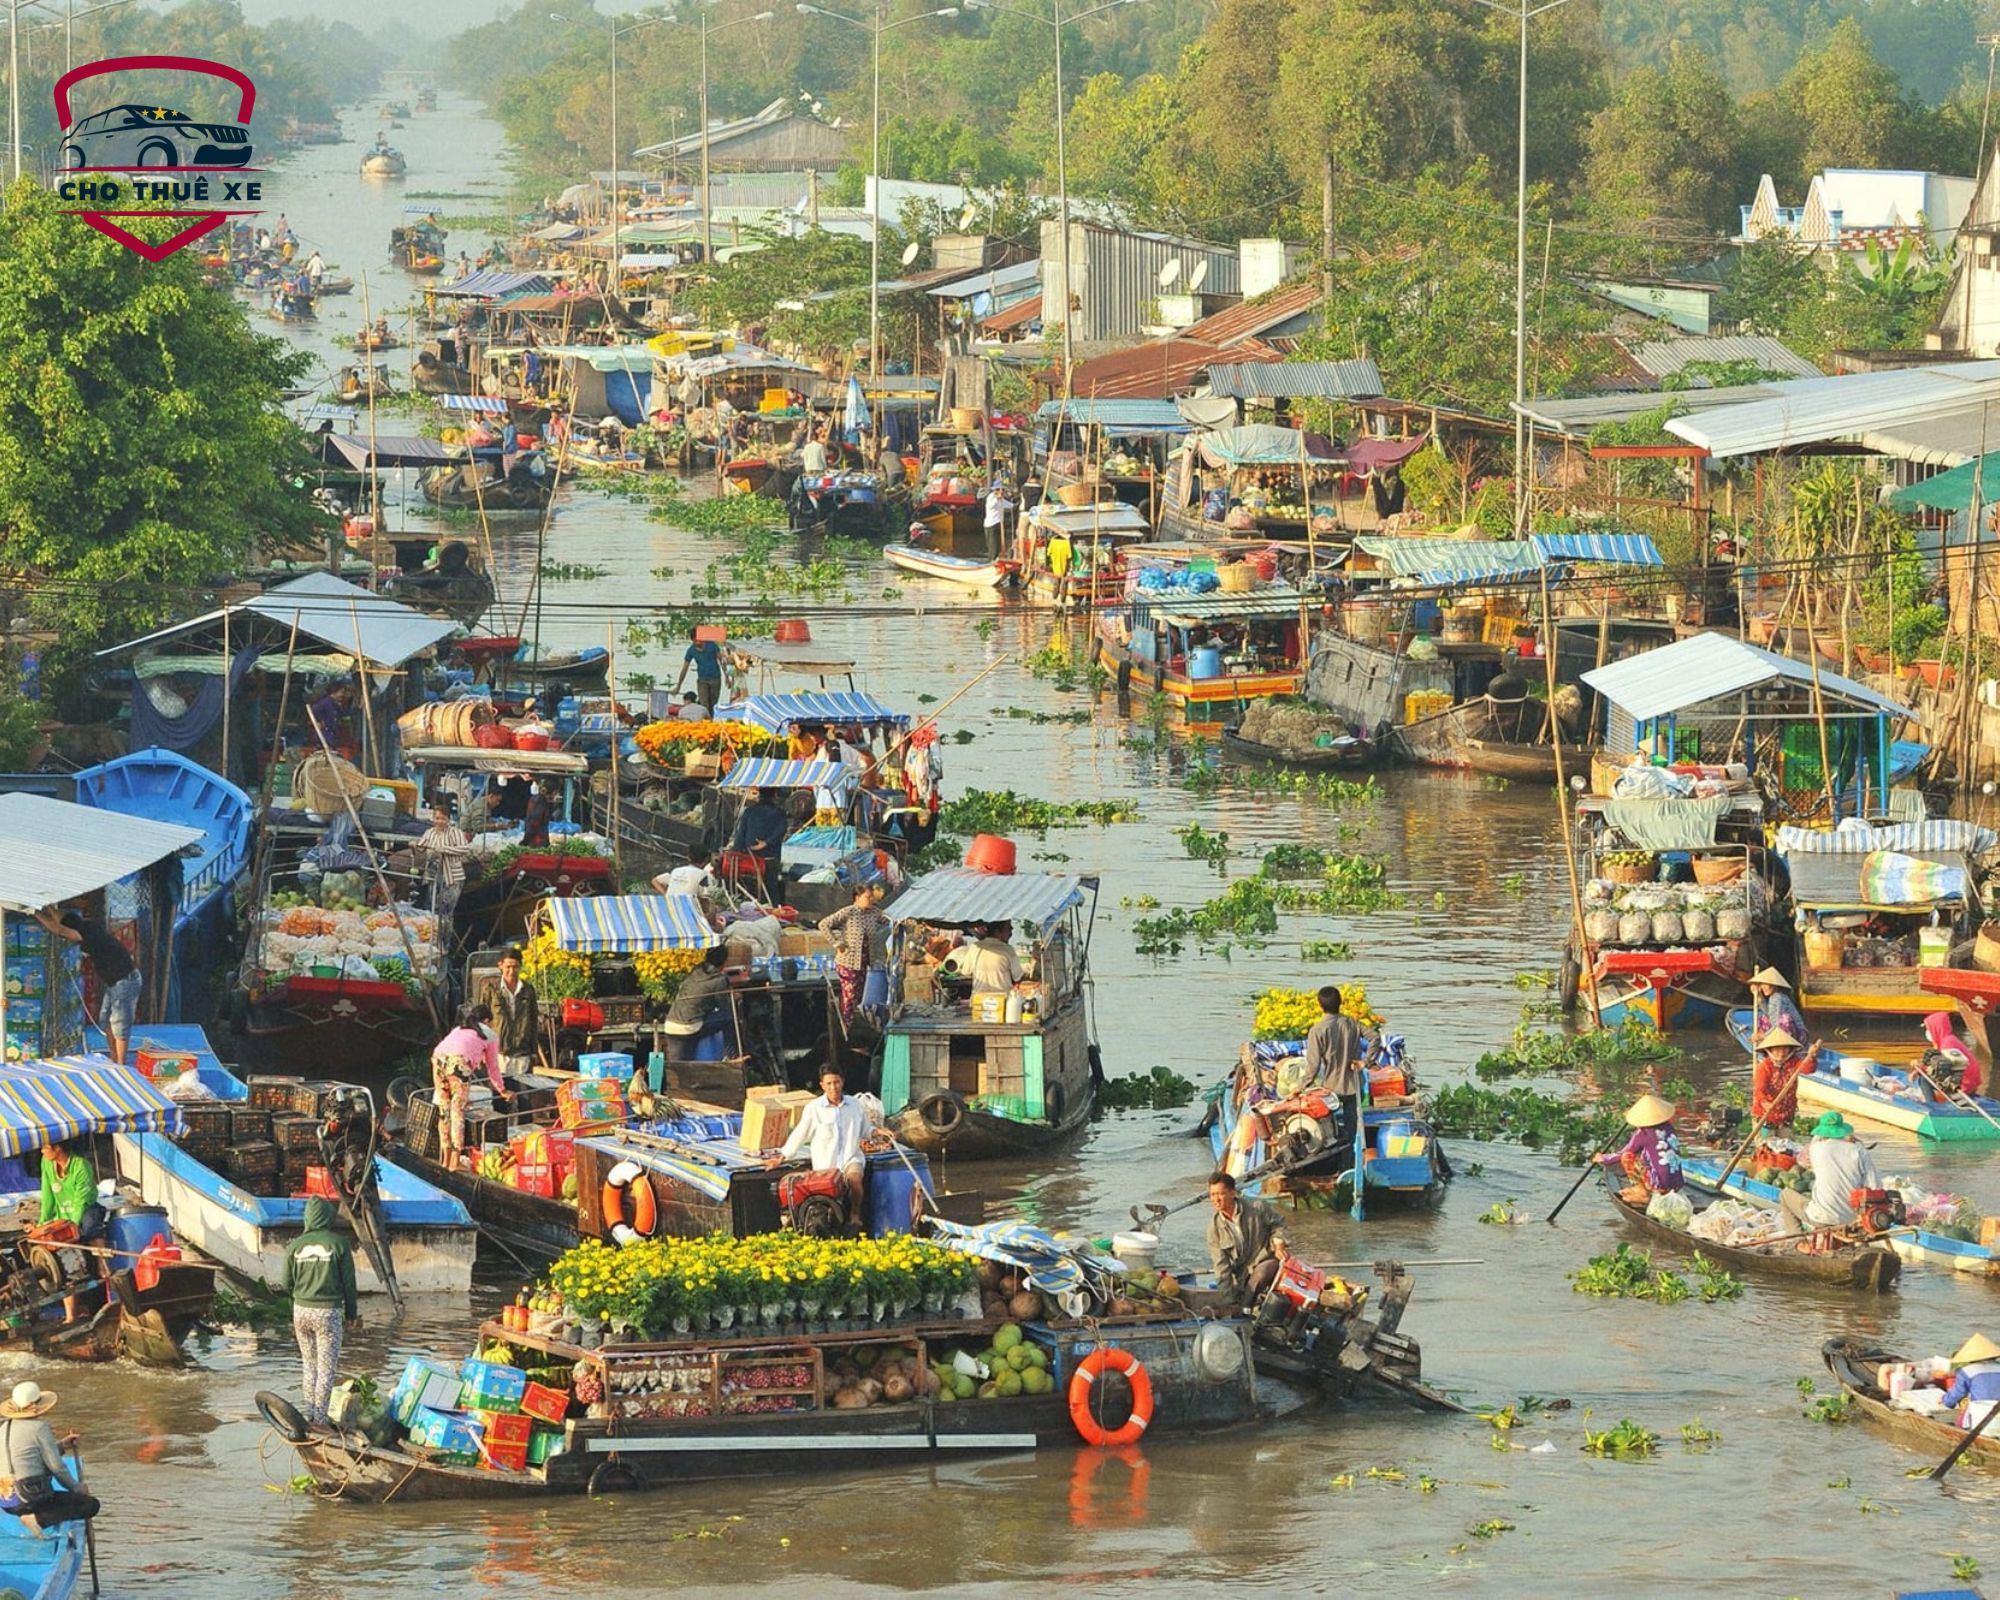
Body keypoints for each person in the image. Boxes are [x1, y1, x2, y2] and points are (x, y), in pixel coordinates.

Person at [283, 1198, 358, 1427]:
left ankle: (309, 1414)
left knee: (309, 1364)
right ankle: (321, 1420)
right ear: (328, 1217)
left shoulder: (294, 1246)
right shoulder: (339, 1243)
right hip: (328, 1312)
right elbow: (349, 1283)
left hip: (300, 1311)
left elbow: (286, 1283)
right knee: (326, 1367)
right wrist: (351, 1314)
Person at [36, 905, 138, 1065]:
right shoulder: (88, 925)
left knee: (120, 1024)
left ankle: (120, 1063)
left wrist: (35, 913)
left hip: (125, 980)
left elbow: (60, 930)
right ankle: (113, 1056)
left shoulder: (88, 936)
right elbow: (62, 920)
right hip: (114, 982)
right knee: (105, 1019)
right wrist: (48, 908)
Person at [768, 1067, 874, 1214]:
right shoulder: (814, 1108)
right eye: (829, 1083)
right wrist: (782, 1156)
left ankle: (855, 1215)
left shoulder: (855, 1105)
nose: (833, 1087)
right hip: (826, 1164)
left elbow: (866, 1130)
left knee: (855, 1181)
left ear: (842, 1082)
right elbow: (800, 1133)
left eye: (836, 1082)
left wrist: (878, 1132)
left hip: (851, 1158)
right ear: (822, 1085)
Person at [0, 1383, 98, 1530]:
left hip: (6, 1500)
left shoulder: (4, 1427)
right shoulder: (40, 1427)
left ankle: (29, 1515)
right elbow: (56, 1467)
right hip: (29, 1498)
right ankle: (37, 1519)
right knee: (90, 1505)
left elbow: (28, 1456)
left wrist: (62, 1445)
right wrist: (76, 1487)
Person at [1779, 1111, 1881, 1234]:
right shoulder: (1859, 1150)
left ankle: (1798, 1240)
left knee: (1785, 1195)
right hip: (1852, 1218)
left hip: (1821, 1217)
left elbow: (1801, 1162)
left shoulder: (1815, 1148)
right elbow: (1874, 1186)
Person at [36, 1142, 103, 1322]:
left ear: (58, 1148)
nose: (42, 1151)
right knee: (64, 1264)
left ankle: (102, 1264)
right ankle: (70, 1316)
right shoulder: (46, 1162)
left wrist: (71, 1225)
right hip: (62, 1216)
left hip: (86, 1209)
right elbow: (47, 1195)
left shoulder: (81, 1165)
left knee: (89, 1229)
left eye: (46, 1147)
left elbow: (82, 1199)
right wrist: (42, 1223)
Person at [430, 1004, 501, 1170]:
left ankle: (444, 1159)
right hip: (458, 1062)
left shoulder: (458, 1029)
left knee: (444, 1110)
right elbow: (493, 1067)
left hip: (438, 1058)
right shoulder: (489, 1034)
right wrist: (501, 1089)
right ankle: (455, 1162)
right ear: (486, 1020)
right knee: (457, 1111)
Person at [1206, 1170, 1287, 1307]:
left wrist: (1279, 1243)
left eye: (1220, 1194)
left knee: (1261, 1273)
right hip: (1244, 1275)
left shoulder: (1257, 1207)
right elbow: (1221, 1268)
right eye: (1212, 1195)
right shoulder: (1214, 1229)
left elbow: (1279, 1224)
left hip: (1267, 1261)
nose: (1216, 1199)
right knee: (1229, 1298)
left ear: (1232, 1193)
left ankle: (1245, 1308)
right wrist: (1227, 1302)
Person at [1303, 984, 1365, 1156]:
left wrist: (1300, 1088)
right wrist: (1365, 1062)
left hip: (1331, 1088)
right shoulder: (1353, 1023)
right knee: (1353, 1126)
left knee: (1330, 1129)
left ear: (1320, 1005)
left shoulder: (1317, 1030)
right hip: (1353, 1084)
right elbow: (1374, 1038)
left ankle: (1335, 1155)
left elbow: (1313, 1066)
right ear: (1340, 1002)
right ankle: (1352, 1157)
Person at [1596, 1092, 1685, 1200]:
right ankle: (1650, 1187)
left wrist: (1603, 1158)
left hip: (1660, 1185)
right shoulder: (1668, 1127)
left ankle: (1641, 1191)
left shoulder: (1643, 1133)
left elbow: (1625, 1152)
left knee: (1627, 1157)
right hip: (1677, 1183)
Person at [819, 884, 885, 1019]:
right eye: (868, 897)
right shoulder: (848, 912)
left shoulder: (874, 913)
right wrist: (837, 943)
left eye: (872, 897)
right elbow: (823, 924)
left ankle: (860, 1025)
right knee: (850, 996)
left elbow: (890, 920)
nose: (871, 900)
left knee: (863, 997)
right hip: (848, 962)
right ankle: (846, 1025)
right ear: (857, 897)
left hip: (866, 963)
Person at [661, 945, 732, 1063]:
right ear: (724, 962)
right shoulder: (719, 980)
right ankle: (732, 1056)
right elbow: (724, 1006)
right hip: (689, 1028)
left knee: (678, 1068)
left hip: (671, 1025)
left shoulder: (696, 970)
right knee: (730, 1017)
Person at [488, 946, 539, 1079]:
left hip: (522, 1052)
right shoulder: (491, 989)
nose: (511, 971)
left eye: (515, 967)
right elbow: (482, 1022)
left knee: (523, 1094)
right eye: (508, 967)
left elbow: (533, 1021)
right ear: (500, 965)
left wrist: (534, 1051)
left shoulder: (528, 990)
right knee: (500, 1094)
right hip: (499, 1052)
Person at [416, 803, 472, 922]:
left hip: (452, 877)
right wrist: (416, 845)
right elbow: (420, 847)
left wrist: (444, 849)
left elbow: (465, 849)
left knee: (446, 912)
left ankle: (444, 938)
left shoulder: (455, 832)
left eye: (443, 818)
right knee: (431, 910)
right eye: (437, 818)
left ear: (448, 819)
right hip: (433, 875)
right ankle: (433, 935)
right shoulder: (429, 832)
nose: (440, 821)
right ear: (433, 819)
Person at [1920, 1010, 1986, 1099]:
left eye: (1928, 1029)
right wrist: (1920, 1068)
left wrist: (1923, 1070)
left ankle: (1932, 1106)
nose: (1928, 1032)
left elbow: (1941, 1069)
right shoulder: (1949, 1040)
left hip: (1963, 1085)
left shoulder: (1947, 1045)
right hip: (1970, 1083)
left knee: (1924, 1080)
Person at [1942, 1333, 2000, 1432]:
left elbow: (1956, 1394)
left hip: (1981, 1413)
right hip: (1996, 1410)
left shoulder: (1967, 1371)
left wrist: (1945, 1401)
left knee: (1962, 1420)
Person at [1751, 1027, 1806, 1130]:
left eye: (1785, 1049)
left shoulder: (1794, 1063)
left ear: (1790, 1050)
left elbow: (1808, 1069)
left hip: (1786, 1116)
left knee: (1787, 1144)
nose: (1781, 1053)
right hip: (1765, 1116)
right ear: (1769, 1050)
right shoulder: (1764, 1067)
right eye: (1777, 1049)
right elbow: (1759, 1090)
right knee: (1766, 1145)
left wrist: (1811, 1057)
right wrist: (1765, 1103)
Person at [732, 787, 789, 885]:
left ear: (759, 794)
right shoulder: (780, 813)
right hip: (770, 857)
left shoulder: (749, 811)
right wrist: (767, 843)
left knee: (748, 885)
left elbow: (740, 835)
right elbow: (781, 831)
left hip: (749, 856)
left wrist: (736, 851)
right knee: (770, 887)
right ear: (775, 795)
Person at [1747, 968, 1807, 1048]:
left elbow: (1777, 1025)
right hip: (1783, 1031)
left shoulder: (1777, 997)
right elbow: (1770, 1015)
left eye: (1766, 984)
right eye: (1761, 984)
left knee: (1784, 1019)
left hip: (1799, 1037)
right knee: (1763, 1018)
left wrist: (1763, 1036)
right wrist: (1758, 996)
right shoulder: (1774, 997)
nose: (1763, 987)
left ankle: (1783, 1046)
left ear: (1774, 985)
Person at [965, 923, 1024, 997]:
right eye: (1008, 929)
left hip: (978, 998)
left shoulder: (974, 947)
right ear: (997, 932)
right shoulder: (1008, 950)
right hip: (1003, 1000)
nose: (1011, 932)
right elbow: (1018, 977)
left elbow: (966, 971)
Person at [676, 628, 726, 715]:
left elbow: (721, 661)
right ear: (692, 640)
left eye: (699, 640)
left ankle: (711, 722)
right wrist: (678, 685)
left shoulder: (712, 645)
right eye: (695, 641)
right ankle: (704, 723)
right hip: (702, 679)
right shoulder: (691, 650)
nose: (698, 643)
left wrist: (727, 676)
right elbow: (685, 668)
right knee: (704, 705)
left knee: (713, 704)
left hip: (715, 678)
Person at [653, 848, 720, 905]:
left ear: (688, 857)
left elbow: (655, 881)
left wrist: (667, 896)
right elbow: (708, 900)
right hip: (689, 912)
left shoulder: (676, 871)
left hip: (670, 908)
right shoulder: (705, 875)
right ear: (707, 859)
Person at [308, 682, 352, 753]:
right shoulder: (325, 703)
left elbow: (343, 714)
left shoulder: (336, 704)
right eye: (341, 692)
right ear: (334, 692)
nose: (342, 695)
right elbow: (314, 710)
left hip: (332, 736)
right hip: (324, 736)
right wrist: (317, 722)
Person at [982, 480, 1013, 560]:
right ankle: (991, 561)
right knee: (993, 546)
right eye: (998, 490)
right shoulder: (991, 497)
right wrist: (997, 498)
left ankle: (995, 559)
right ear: (995, 490)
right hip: (991, 525)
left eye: (1002, 490)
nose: (1001, 492)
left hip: (998, 524)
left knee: (998, 546)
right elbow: (990, 506)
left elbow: (1010, 505)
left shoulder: (1002, 499)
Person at [522, 781, 555, 849]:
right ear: (554, 792)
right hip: (537, 841)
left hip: (538, 838)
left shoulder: (536, 800)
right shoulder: (539, 803)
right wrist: (525, 841)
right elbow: (534, 823)